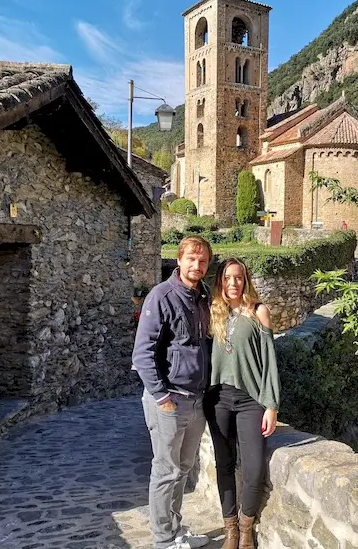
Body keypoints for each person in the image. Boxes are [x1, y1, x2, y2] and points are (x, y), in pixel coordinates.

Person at [132, 235, 213, 549]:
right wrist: (161, 397)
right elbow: (143, 354)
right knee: (166, 471)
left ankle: (176, 529)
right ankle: (163, 539)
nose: (197, 265)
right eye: (191, 259)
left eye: (202, 260)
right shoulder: (161, 296)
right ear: (179, 260)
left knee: (183, 469)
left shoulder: (203, 296)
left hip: (196, 400)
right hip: (169, 400)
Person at [204, 257, 280, 549]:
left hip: (250, 401)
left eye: (238, 277)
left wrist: (271, 405)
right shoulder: (214, 312)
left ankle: (247, 526)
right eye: (227, 278)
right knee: (224, 463)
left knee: (254, 467)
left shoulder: (259, 312)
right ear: (220, 281)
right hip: (218, 398)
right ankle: (230, 530)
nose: (233, 283)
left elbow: (270, 362)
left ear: (245, 279)